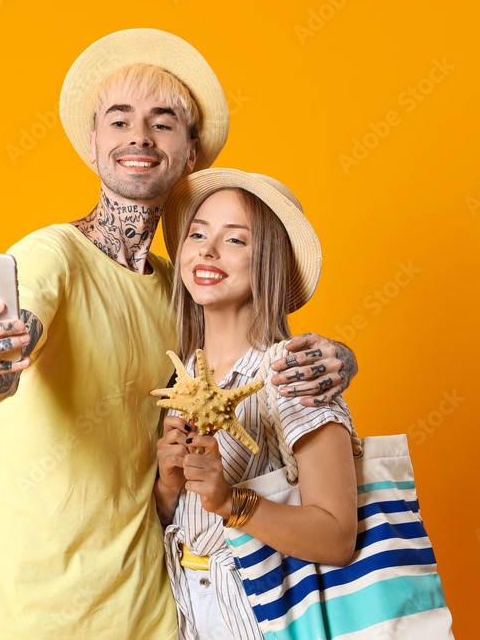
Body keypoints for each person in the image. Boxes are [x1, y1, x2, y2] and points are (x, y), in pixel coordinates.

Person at [0, 29, 358, 640]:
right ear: (93, 143)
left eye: (162, 123)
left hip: (157, 615)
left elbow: (250, 352)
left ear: (190, 153)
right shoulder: (50, 258)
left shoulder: (179, 293)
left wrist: (340, 360)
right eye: (119, 121)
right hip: (32, 618)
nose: (138, 137)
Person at [154, 167, 359, 640]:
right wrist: (167, 488)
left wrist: (232, 501)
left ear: (268, 261)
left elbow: (337, 536)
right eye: (198, 234)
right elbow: (184, 522)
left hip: (267, 618)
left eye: (235, 240)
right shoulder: (179, 375)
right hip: (187, 615)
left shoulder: (292, 373)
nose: (207, 250)